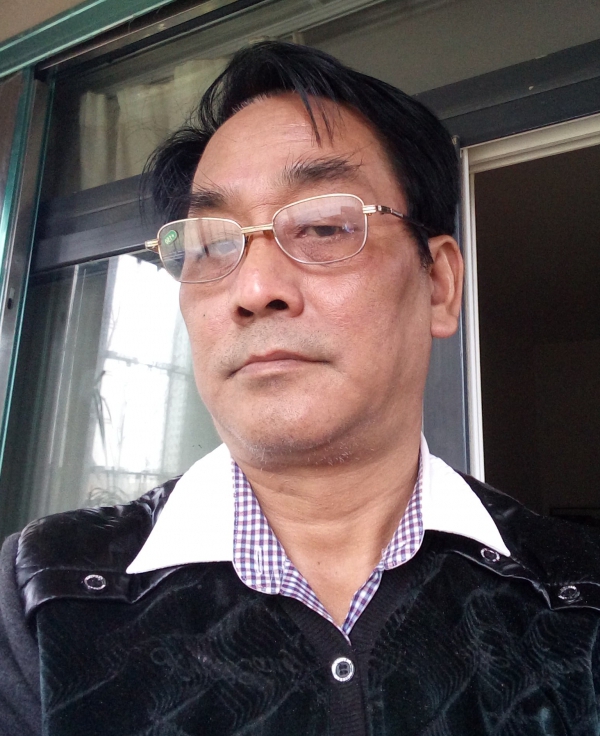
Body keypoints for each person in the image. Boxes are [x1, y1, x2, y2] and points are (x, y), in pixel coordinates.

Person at [2, 40, 600, 736]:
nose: (254, 288)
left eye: (321, 226)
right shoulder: (43, 597)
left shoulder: (577, 598)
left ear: (439, 284)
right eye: (211, 244)